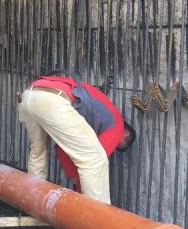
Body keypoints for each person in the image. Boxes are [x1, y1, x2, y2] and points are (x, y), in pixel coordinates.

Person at [17, 72, 136, 204]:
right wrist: (80, 189)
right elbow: (92, 164)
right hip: (54, 99)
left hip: (30, 94)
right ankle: (98, 217)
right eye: (118, 145)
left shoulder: (99, 115)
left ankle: (34, 202)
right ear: (126, 133)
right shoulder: (117, 126)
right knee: (94, 159)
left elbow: (62, 150)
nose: (113, 147)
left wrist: (76, 181)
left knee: (37, 152)